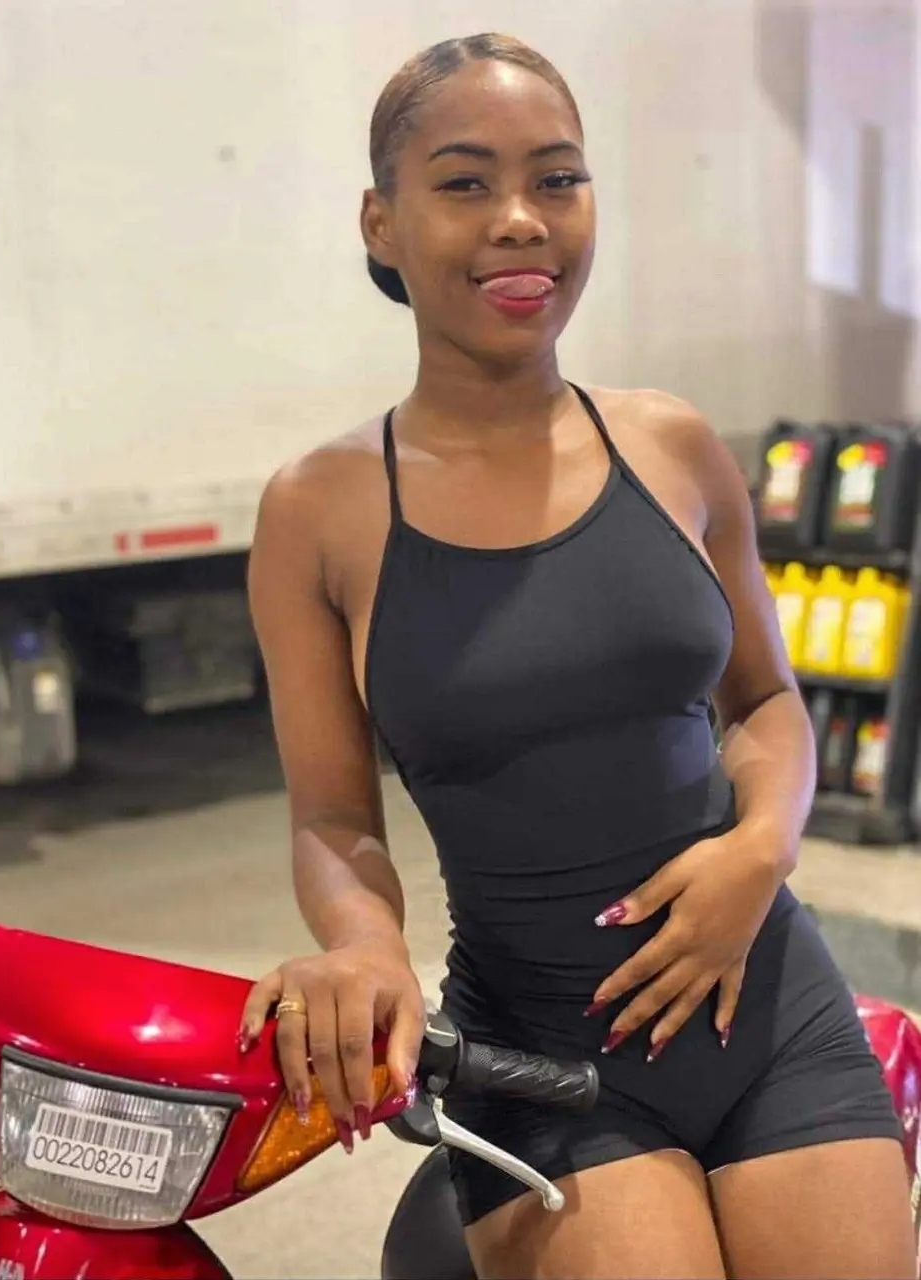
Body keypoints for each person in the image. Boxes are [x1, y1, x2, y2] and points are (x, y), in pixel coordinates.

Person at [239, 32, 916, 1280]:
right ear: (381, 223)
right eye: (465, 182)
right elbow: (333, 820)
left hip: (771, 999)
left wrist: (759, 851)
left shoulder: (674, 445)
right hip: (542, 1051)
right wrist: (366, 946)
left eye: (557, 178)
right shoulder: (319, 509)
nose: (521, 218)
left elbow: (765, 702)